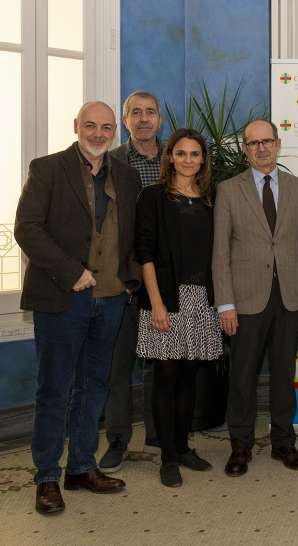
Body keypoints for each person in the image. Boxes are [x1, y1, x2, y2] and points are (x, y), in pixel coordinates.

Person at [15, 101, 141, 514]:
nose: (99, 133)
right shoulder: (47, 169)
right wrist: (72, 272)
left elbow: (133, 234)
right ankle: (47, 477)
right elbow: (27, 229)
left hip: (110, 301)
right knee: (54, 390)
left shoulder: (126, 175)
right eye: (91, 125)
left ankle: (82, 467)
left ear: (114, 131)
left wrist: (128, 281)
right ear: (76, 126)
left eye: (106, 127)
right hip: (61, 298)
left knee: (94, 388)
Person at [213, 118, 298, 476]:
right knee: (242, 376)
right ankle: (240, 446)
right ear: (245, 148)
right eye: (252, 143)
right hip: (245, 301)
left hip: (289, 299)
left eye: (266, 141)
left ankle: (284, 444)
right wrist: (225, 303)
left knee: (283, 375)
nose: (260, 148)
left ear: (278, 143)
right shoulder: (229, 190)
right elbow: (220, 252)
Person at [135, 129, 221, 487]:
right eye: (181, 153)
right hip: (165, 298)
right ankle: (167, 457)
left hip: (201, 298)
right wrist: (156, 303)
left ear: (203, 160)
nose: (188, 159)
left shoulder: (211, 198)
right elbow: (145, 252)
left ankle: (184, 447)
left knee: (189, 376)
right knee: (166, 377)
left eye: (195, 154)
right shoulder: (153, 197)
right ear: (170, 157)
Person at [100, 90, 164, 472]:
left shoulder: (179, 158)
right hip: (123, 279)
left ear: (160, 119)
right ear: (125, 121)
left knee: (160, 361)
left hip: (164, 278)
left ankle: (158, 431)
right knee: (118, 366)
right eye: (135, 113)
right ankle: (118, 439)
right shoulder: (110, 162)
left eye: (150, 113)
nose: (143, 119)